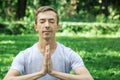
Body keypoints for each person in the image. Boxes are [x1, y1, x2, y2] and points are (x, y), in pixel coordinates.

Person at [3, 6, 93, 80]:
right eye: (42, 22)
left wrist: (53, 72)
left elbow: (88, 78)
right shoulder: (25, 55)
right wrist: (41, 73)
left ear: (58, 26)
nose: (47, 25)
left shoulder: (68, 54)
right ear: (36, 27)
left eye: (51, 21)